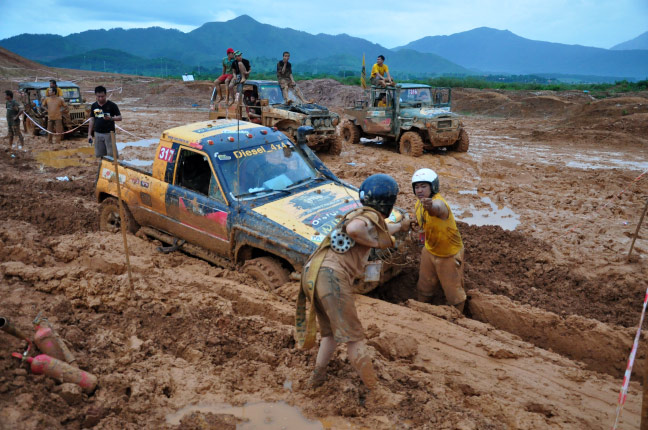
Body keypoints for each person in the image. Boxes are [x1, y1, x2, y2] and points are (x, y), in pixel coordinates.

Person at [296, 174, 410, 407]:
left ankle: (316, 379)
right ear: (387, 202)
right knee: (355, 338)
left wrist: (401, 226)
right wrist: (377, 243)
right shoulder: (365, 218)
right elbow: (356, 229)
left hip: (314, 272)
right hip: (331, 276)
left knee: (330, 334)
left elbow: (379, 227)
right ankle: (377, 391)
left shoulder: (361, 213)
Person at [411, 168, 466, 312]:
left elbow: (436, 209)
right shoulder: (418, 205)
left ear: (433, 187)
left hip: (448, 254)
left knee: (454, 294)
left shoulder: (439, 204)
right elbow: (422, 221)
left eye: (424, 186)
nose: (420, 190)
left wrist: (430, 206)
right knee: (423, 287)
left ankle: (458, 318)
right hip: (429, 250)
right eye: (417, 187)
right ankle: (421, 310)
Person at [88, 85, 122, 158]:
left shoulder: (112, 105)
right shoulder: (94, 106)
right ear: (96, 96)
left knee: (112, 155)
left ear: (106, 95)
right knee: (100, 155)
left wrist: (111, 118)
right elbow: (92, 119)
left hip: (109, 134)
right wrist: (89, 134)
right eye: (98, 96)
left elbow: (120, 117)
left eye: (102, 96)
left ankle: (113, 168)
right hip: (97, 134)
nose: (100, 98)